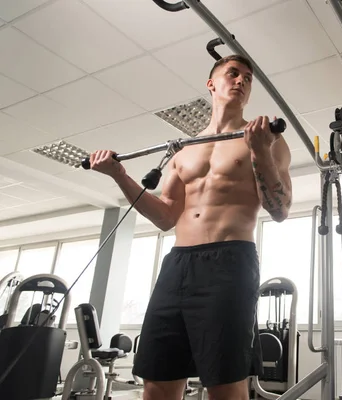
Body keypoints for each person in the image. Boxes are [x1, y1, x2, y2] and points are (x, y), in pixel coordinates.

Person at [88, 54, 292, 400]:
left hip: (230, 261)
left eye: (247, 77)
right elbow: (166, 216)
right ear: (212, 84)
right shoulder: (184, 150)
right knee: (157, 381)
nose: (241, 80)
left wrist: (260, 153)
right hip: (178, 265)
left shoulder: (266, 139)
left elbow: (280, 209)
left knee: (225, 384)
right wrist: (119, 175)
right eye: (233, 73)